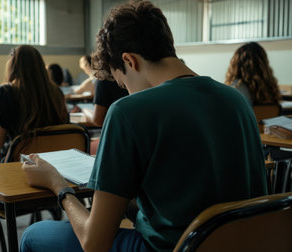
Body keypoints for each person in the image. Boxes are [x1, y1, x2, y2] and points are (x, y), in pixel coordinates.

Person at [20, 1, 267, 252]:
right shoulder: (237, 100)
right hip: (243, 244)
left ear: (129, 60)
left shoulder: (128, 111)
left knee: (33, 235)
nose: (126, 91)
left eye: (123, 83)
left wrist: (58, 185)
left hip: (170, 248)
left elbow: (94, 243)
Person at [0, 45, 69, 158]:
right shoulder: (56, 91)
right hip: (52, 163)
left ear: (12, 66)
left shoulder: (6, 91)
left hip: (17, 165)